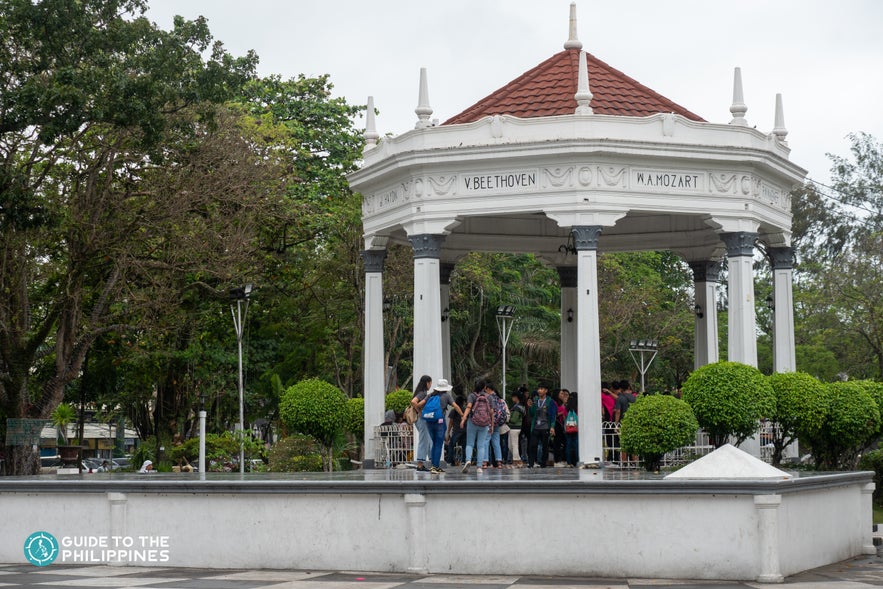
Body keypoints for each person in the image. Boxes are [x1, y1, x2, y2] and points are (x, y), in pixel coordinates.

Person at [422, 378, 456, 473]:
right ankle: (434, 466)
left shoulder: (430, 395)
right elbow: (455, 406)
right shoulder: (446, 396)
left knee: (434, 443)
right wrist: (462, 415)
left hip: (429, 422)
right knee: (438, 444)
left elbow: (419, 403)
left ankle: (435, 466)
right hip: (439, 422)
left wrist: (420, 413)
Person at [460, 381, 493, 473]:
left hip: (472, 422)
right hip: (485, 423)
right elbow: (491, 412)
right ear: (485, 387)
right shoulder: (489, 397)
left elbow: (469, 407)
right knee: (481, 445)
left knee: (470, 444)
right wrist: (492, 425)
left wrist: (463, 419)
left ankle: (468, 460)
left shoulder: (472, 396)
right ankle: (479, 467)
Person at [528, 383, 556, 468]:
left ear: (546, 391)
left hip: (545, 427)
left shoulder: (550, 401)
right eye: (539, 389)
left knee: (545, 447)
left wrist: (552, 426)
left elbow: (553, 415)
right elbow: (532, 414)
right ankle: (531, 463)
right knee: (532, 445)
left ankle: (543, 463)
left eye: (542, 389)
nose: (539, 390)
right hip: (536, 427)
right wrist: (530, 406)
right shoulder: (535, 400)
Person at [411, 375, 434, 472]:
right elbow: (413, 401)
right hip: (422, 420)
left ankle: (432, 461)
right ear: (427, 383)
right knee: (424, 441)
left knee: (428, 440)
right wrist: (419, 411)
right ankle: (420, 464)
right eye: (430, 383)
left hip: (422, 420)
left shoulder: (421, 392)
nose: (430, 385)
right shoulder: (422, 393)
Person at [485, 382, 508, 468]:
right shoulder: (499, 399)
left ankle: (485, 462)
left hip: (489, 423)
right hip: (498, 423)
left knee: (486, 441)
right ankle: (499, 462)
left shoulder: (488, 398)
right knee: (496, 442)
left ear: (488, 389)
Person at [445, 394, 467, 466]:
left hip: (457, 430)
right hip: (465, 430)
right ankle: (464, 460)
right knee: (464, 446)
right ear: (463, 402)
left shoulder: (453, 411)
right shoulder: (465, 410)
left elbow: (451, 423)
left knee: (451, 445)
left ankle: (450, 460)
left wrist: (448, 432)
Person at [507, 391, 525, 467]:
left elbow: (514, 420)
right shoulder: (520, 406)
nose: (512, 398)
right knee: (510, 446)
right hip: (514, 428)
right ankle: (519, 461)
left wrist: (507, 419)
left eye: (513, 397)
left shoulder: (517, 408)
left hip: (515, 428)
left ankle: (515, 462)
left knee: (514, 445)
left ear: (516, 397)